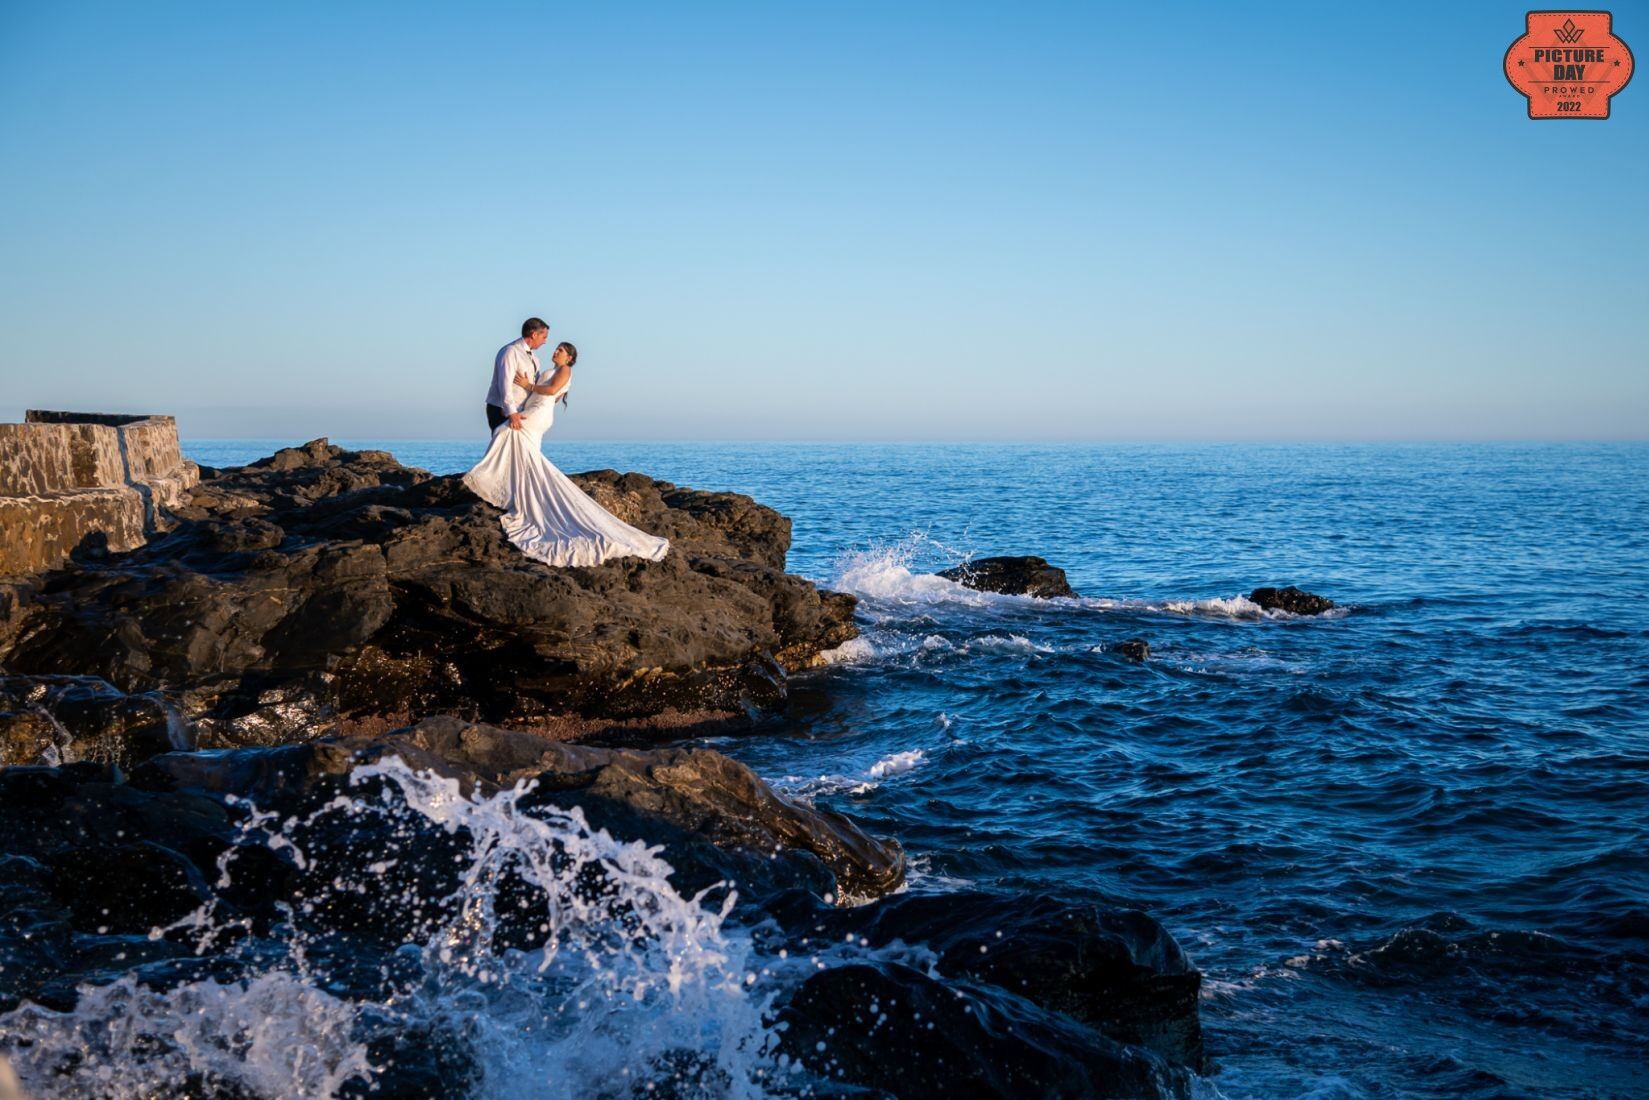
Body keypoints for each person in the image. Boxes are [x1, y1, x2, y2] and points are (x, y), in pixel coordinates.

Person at [464, 341, 670, 568]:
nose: (555, 351)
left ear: (569, 357)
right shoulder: (548, 370)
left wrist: (528, 385)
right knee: (521, 448)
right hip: (533, 410)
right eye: (556, 349)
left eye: (560, 351)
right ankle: (515, 485)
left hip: (538, 414)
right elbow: (555, 393)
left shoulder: (565, 370)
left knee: (506, 433)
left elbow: (552, 391)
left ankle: (493, 478)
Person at [485, 318, 551, 433]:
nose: (545, 341)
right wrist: (511, 412)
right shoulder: (511, 351)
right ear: (534, 334)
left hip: (520, 411)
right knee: (502, 449)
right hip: (502, 410)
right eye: (544, 337)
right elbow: (504, 383)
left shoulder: (534, 358)